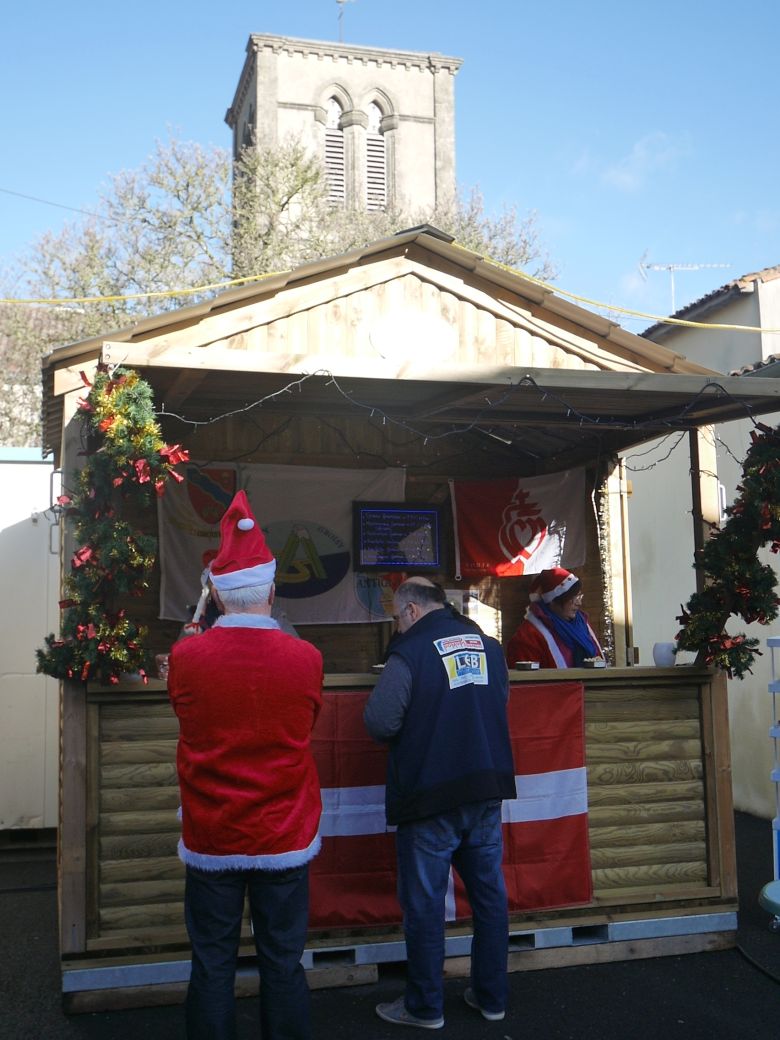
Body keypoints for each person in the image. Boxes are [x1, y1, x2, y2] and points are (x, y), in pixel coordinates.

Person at [168, 490, 323, 1040]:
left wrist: (196, 620)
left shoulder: (188, 657)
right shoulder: (306, 659)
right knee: (283, 964)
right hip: (283, 832)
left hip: (214, 834)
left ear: (214, 594)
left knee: (212, 965)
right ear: (273, 591)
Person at [364, 576, 516, 1029]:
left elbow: (380, 721)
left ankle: (424, 1006)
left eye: (396, 617)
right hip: (485, 788)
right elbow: (499, 700)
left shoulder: (409, 652)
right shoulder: (489, 646)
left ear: (411, 610)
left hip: (432, 794)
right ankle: (492, 998)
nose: (397, 626)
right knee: (489, 898)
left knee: (426, 904)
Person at [506, 566, 604, 668]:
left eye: (579, 596)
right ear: (553, 602)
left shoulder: (582, 623)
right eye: (572, 599)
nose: (578, 603)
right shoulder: (529, 637)